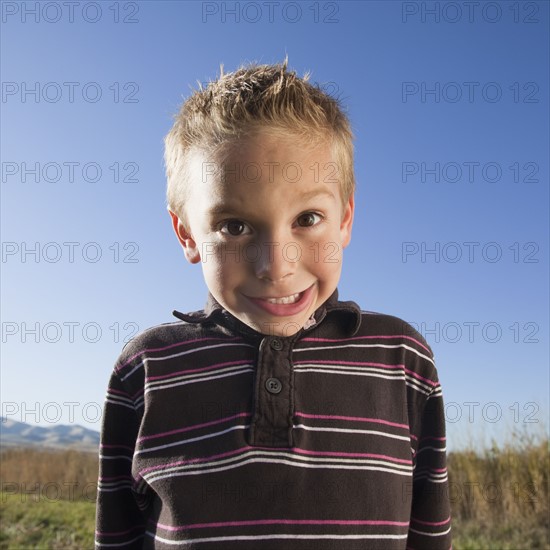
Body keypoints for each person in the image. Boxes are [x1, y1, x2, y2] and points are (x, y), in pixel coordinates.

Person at [95, 57, 452, 549]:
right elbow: (119, 535)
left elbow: (429, 533)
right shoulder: (148, 367)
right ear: (187, 234)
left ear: (345, 220)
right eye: (235, 226)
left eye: (307, 218)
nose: (276, 266)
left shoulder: (401, 358)